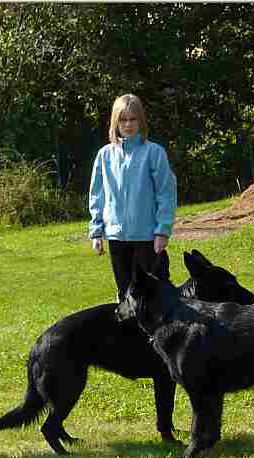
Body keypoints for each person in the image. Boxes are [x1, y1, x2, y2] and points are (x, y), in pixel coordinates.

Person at [88, 93, 177, 302]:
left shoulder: (154, 153)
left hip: (147, 237)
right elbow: (97, 195)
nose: (128, 125)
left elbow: (166, 193)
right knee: (126, 295)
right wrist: (96, 231)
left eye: (133, 119)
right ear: (115, 122)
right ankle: (128, 334)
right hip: (116, 237)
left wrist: (162, 231)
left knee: (156, 294)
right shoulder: (105, 155)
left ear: (141, 121)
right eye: (123, 119)